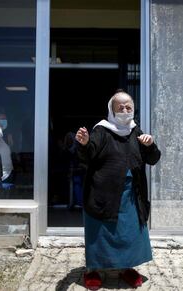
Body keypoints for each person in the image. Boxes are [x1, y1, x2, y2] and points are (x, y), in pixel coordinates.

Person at [75, 90, 161, 290]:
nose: (124, 110)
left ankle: (126, 268)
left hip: (131, 194)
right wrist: (85, 143)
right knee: (100, 234)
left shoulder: (136, 131)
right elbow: (87, 156)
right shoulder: (101, 130)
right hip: (102, 194)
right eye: (119, 107)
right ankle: (93, 270)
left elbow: (153, 159)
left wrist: (150, 145)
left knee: (129, 233)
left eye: (128, 106)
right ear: (111, 110)